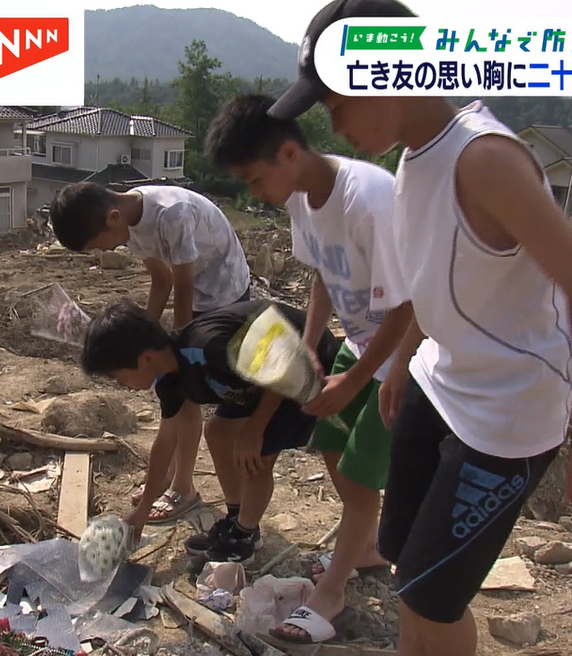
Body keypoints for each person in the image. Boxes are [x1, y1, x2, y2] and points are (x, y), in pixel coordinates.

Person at [268, 0, 572, 654]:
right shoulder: (413, 161)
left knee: (435, 595)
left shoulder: (482, 158)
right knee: (410, 570)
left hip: (505, 414)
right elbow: (433, 280)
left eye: (337, 103)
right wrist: (406, 361)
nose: (335, 123)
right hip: (440, 384)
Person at [205, 93, 411, 644]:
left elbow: (410, 306)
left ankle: (332, 596)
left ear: (289, 154)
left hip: (407, 353)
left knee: (364, 472)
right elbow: (323, 273)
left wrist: (360, 377)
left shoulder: (366, 199)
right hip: (360, 340)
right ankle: (365, 545)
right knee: (332, 448)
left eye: (252, 180)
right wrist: (312, 343)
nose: (254, 194)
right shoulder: (302, 196)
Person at [81, 298, 340, 566]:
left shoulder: (210, 348)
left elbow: (281, 367)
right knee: (217, 432)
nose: (122, 384)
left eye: (118, 376)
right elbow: (166, 439)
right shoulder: (170, 380)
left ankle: (244, 537)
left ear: (145, 358)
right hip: (255, 381)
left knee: (256, 456)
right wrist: (143, 508)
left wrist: (254, 431)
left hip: (301, 369)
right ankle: (236, 518)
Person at [50, 182, 252, 525]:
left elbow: (184, 287)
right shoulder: (129, 223)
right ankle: (171, 477)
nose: (105, 251)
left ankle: (183, 488)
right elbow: (162, 282)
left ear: (112, 218)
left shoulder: (171, 215)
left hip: (224, 294)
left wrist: (178, 354)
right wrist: (139, 339)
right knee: (171, 391)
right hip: (195, 295)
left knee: (184, 390)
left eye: (98, 245)